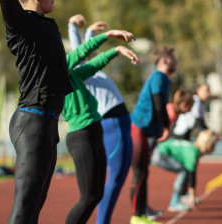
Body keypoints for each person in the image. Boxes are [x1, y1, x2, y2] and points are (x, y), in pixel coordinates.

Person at [0, 0, 73, 224]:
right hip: (33, 121)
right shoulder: (21, 23)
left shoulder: (47, 24)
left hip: (47, 125)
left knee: (34, 208)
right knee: (24, 208)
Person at [63, 27, 138, 224]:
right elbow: (81, 52)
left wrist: (116, 51)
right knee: (88, 197)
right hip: (80, 134)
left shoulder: (73, 75)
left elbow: (93, 63)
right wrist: (109, 34)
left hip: (94, 129)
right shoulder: (55, 71)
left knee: (95, 195)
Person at [130, 46, 177, 224]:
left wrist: (160, 129)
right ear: (164, 61)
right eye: (173, 58)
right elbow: (158, 105)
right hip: (139, 128)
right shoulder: (158, 77)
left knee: (144, 172)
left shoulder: (164, 79)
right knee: (139, 173)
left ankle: (142, 212)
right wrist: (166, 127)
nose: (176, 62)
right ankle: (136, 216)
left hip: (148, 130)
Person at [151, 130, 221, 211]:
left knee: (185, 170)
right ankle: (174, 202)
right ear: (207, 145)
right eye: (213, 145)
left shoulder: (193, 149)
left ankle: (181, 196)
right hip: (160, 154)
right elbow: (192, 178)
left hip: (160, 151)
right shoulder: (193, 153)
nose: (214, 147)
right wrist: (192, 199)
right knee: (183, 171)